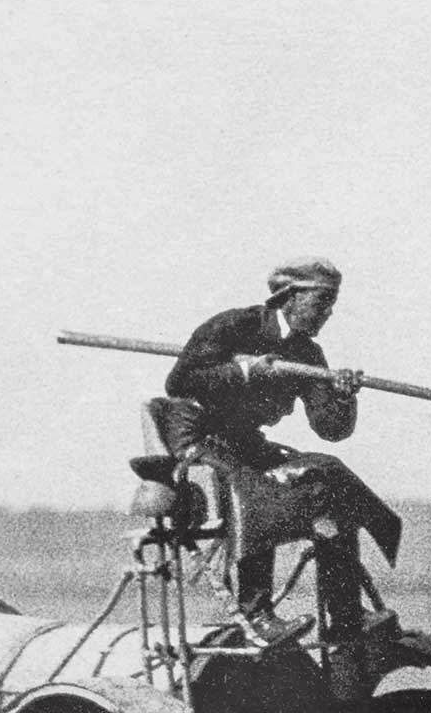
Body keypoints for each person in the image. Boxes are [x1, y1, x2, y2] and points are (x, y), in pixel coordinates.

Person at [163, 256, 400, 646]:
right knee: (259, 488)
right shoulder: (235, 325)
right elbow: (180, 381)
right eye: (321, 301)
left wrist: (344, 397)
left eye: (332, 304)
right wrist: (245, 372)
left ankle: (345, 613)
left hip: (245, 443)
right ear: (289, 297)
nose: (328, 313)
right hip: (198, 438)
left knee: (331, 477)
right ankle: (256, 615)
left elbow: (331, 430)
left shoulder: (308, 356)